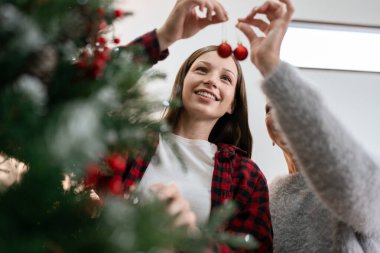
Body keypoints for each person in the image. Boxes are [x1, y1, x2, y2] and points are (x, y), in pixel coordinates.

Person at [100, 0, 273, 252]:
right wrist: (164, 37)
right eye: (201, 70)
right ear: (181, 85)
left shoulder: (247, 178)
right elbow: (86, 92)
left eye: (225, 78)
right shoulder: (129, 143)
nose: (211, 80)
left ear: (231, 106)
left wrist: (192, 238)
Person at [236, 0, 380, 252]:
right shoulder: (268, 196)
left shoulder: (359, 179)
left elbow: (345, 179)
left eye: (287, 107)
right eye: (269, 108)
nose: (280, 114)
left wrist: (272, 67)